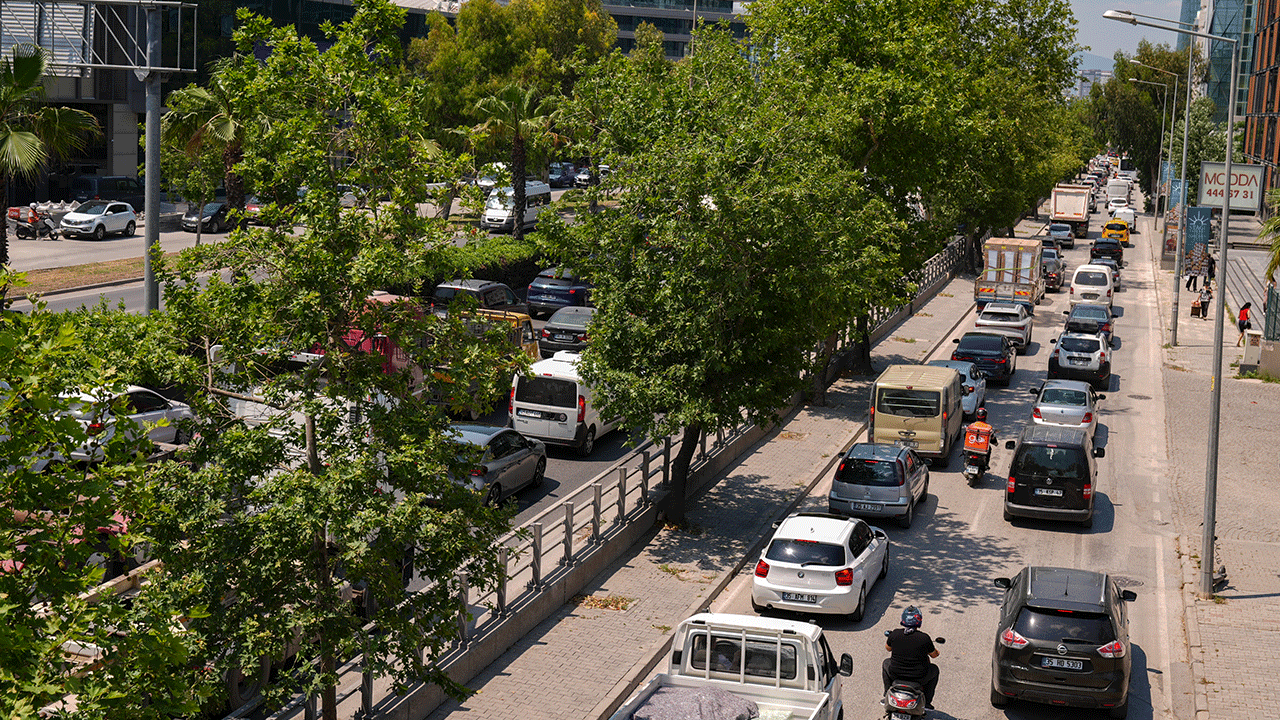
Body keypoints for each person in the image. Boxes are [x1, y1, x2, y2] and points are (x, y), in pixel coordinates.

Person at [883, 606, 941, 710]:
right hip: (919, 676)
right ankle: (927, 702)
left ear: (903, 619)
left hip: (896, 673)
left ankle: (886, 693)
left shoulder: (895, 634)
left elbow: (888, 648)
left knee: (886, 663)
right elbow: (934, 655)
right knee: (935, 669)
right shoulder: (924, 638)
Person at [962, 407, 996, 473]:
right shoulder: (988, 427)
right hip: (982, 450)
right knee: (989, 449)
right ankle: (986, 465)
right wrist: (995, 442)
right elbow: (992, 438)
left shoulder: (972, 425)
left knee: (965, 451)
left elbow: (965, 436)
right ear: (985, 416)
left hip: (970, 448)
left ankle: (965, 461)